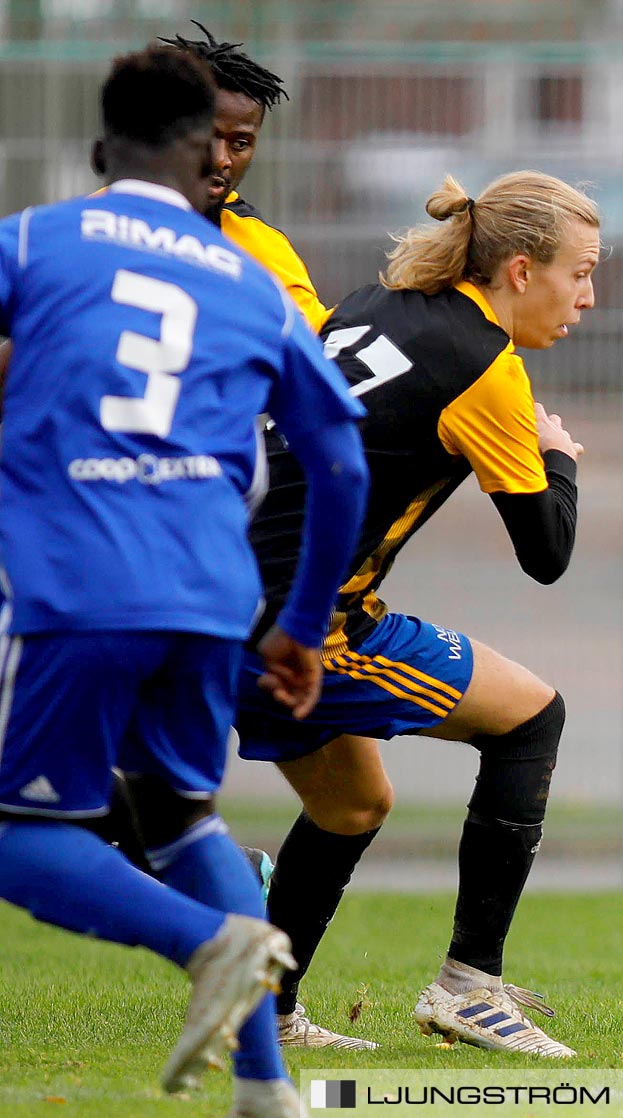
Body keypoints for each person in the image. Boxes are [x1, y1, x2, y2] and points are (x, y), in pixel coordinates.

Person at [0, 46, 367, 1118]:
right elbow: (338, 457)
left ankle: (207, 937)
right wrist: (299, 623)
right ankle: (267, 1089)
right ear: (210, 151)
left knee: (19, 835)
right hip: (214, 598)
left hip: (79, 582)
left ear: (101, 144)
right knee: (183, 818)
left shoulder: (34, 240)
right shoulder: (249, 278)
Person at [238, 170, 597, 1056]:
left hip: (210, 598)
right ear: (519, 271)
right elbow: (547, 555)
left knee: (353, 806)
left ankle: (265, 1012)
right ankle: (469, 987)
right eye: (580, 273)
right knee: (530, 717)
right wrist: (559, 456)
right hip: (302, 634)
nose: (586, 297)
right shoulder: (486, 368)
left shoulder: (375, 305)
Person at [161, 21, 331, 330]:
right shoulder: (95, 219)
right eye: (206, 136)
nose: (221, 160)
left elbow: (319, 350)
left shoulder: (263, 250)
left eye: (239, 144)